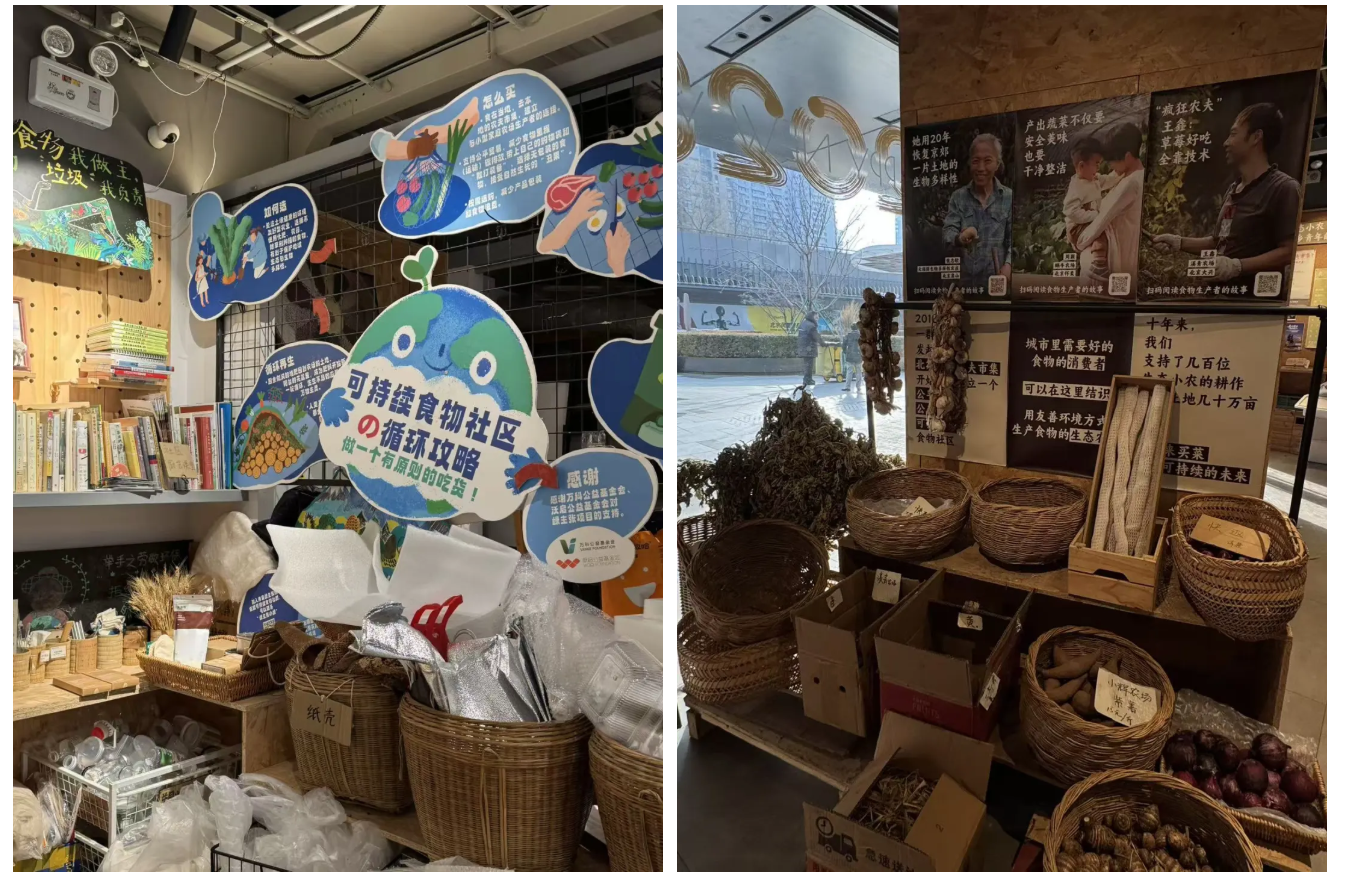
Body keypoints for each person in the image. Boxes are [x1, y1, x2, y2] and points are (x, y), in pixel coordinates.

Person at [1150, 102, 1301, 296]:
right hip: (1218, 301)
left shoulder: (1284, 188)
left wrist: (1237, 266)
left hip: (1255, 305)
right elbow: (1219, 242)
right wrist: (1178, 242)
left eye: (1233, 134)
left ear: (1256, 137)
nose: (1226, 143)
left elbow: (1289, 250)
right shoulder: (1233, 189)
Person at [1073, 123, 1146, 288]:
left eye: (1112, 160)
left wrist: (1079, 242)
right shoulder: (1127, 175)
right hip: (1115, 255)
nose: (1110, 165)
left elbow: (1102, 220)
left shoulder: (1131, 183)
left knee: (1103, 298)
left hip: (1113, 259)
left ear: (1127, 156)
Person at [943, 133, 1013, 291]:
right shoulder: (958, 197)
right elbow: (947, 233)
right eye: (976, 161)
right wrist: (960, 238)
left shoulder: (1009, 197)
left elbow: (1013, 241)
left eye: (987, 161)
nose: (981, 168)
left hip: (996, 284)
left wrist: (1008, 266)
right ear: (970, 163)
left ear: (997, 164)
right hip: (965, 287)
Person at [1063, 136, 1119, 280]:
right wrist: (1095, 216)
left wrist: (1119, 173)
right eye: (1096, 164)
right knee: (1101, 229)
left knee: (1105, 226)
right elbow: (1070, 211)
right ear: (1082, 166)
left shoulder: (1093, 178)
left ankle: (1099, 259)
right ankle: (1097, 266)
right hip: (1077, 228)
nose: (1098, 168)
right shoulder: (1077, 187)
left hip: (1087, 223)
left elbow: (1108, 180)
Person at [797, 310, 822, 388]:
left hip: (803, 347)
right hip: (809, 348)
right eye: (816, 317)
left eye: (818, 318)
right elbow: (816, 337)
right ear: (812, 317)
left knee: (807, 364)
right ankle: (807, 379)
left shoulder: (804, 323)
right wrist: (824, 344)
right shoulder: (811, 326)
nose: (817, 319)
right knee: (809, 365)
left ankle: (807, 379)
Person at [841, 322, 863, 394]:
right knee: (858, 372)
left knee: (849, 371)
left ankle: (847, 387)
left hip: (850, 356)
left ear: (851, 328)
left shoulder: (848, 335)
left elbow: (843, 345)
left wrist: (845, 351)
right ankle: (858, 387)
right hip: (858, 356)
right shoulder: (861, 336)